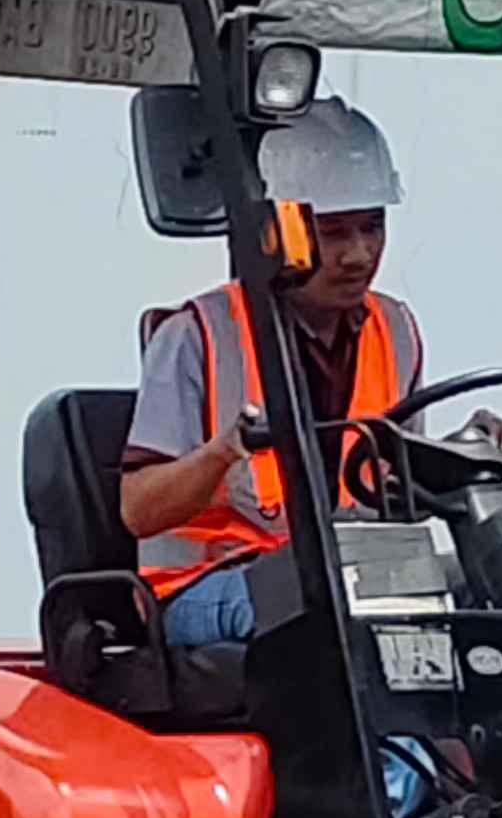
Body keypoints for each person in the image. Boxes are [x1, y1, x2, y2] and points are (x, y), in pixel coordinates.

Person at [120, 92, 423, 649]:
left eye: (372, 228)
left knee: (479, 597)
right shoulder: (197, 336)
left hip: (343, 574)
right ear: (276, 231)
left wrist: (468, 452)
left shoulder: (395, 330)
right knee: (319, 609)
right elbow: (139, 510)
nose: (359, 254)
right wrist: (223, 450)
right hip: (205, 585)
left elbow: (401, 489)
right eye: (334, 234)